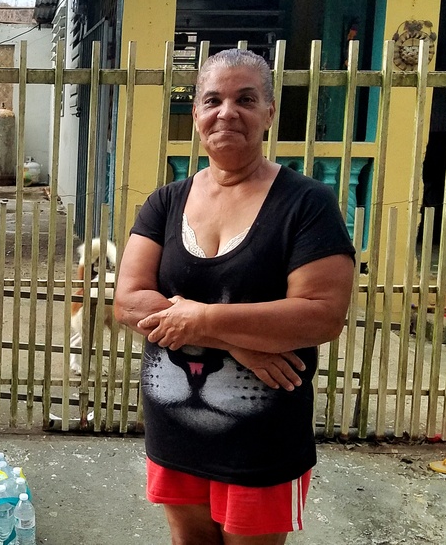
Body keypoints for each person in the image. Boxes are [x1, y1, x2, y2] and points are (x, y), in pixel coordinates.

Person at [113, 48, 356, 545]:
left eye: (246, 99)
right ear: (197, 114)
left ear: (269, 112)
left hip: (262, 436)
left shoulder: (307, 204)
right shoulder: (165, 202)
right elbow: (129, 302)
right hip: (175, 423)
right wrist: (236, 340)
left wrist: (202, 322)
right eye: (213, 99)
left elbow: (320, 316)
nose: (228, 112)